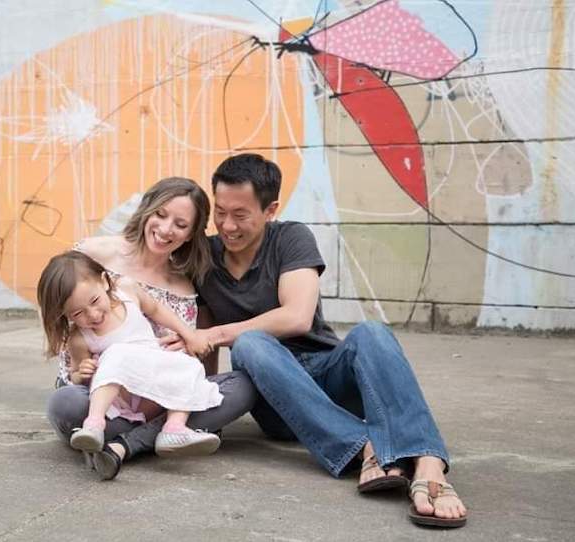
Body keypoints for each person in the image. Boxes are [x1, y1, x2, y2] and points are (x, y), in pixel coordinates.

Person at [193, 154, 468, 528]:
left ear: (270, 209)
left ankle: (428, 462)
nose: (227, 225)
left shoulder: (290, 237)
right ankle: (366, 447)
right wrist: (205, 407)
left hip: (328, 376)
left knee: (371, 332)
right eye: (220, 212)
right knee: (251, 344)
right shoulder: (205, 258)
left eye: (240, 215)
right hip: (277, 402)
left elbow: (297, 316)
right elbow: (201, 343)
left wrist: (218, 334)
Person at [44, 177, 256, 481]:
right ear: (146, 210)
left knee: (242, 386)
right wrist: (84, 363)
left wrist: (184, 344)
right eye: (160, 214)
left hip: (155, 396)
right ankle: (142, 437)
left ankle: (122, 444)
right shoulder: (94, 255)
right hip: (96, 393)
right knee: (65, 404)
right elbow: (57, 306)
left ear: (191, 235)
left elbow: (193, 357)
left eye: (181, 224)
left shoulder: (185, 286)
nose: (166, 228)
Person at [37, 251, 223, 459]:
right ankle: (94, 424)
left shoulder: (128, 291)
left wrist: (188, 334)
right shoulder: (79, 338)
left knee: (190, 364)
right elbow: (75, 375)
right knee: (116, 353)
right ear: (66, 315)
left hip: (152, 380)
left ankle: (174, 428)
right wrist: (82, 373)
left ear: (105, 281)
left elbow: (156, 310)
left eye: (95, 301)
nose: (93, 315)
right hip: (123, 395)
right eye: (78, 314)